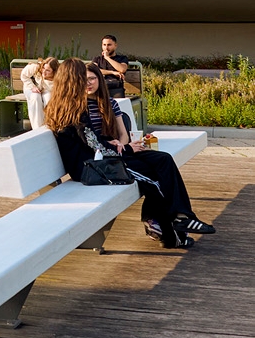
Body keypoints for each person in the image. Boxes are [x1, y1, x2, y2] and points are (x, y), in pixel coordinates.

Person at [45, 57, 213, 250]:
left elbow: (92, 141)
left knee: (163, 160)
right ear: (71, 81)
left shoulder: (70, 107)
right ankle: (173, 234)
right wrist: (125, 148)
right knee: (155, 181)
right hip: (93, 169)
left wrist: (115, 143)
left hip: (99, 161)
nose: (85, 83)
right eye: (81, 78)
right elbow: (93, 145)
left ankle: (183, 217)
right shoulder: (72, 111)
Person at [18, 55, 60, 130]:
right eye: (44, 68)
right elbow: (24, 75)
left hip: (46, 90)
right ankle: (37, 128)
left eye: (48, 70)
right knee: (35, 97)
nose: (44, 71)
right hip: (31, 87)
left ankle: (49, 126)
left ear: (54, 71)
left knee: (49, 99)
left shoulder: (57, 78)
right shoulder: (35, 67)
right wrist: (32, 86)